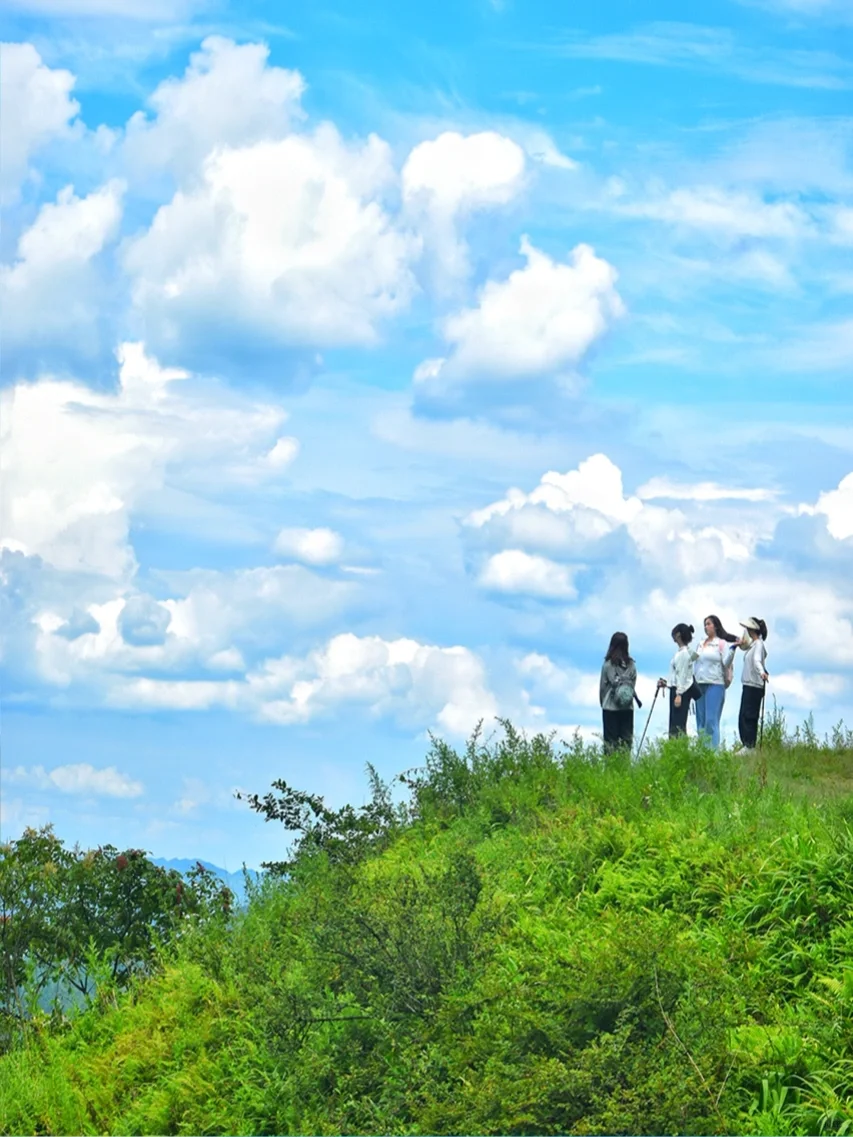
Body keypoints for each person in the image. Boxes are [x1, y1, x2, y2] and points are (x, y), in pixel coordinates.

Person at [693, 614, 739, 749]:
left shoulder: (721, 643)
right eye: (705, 624)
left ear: (716, 626)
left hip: (715, 683)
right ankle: (702, 750)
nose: (706, 627)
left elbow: (726, 662)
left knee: (711, 720)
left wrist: (733, 649)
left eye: (709, 624)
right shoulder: (701, 644)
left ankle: (713, 752)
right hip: (700, 683)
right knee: (700, 720)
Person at [658, 623, 698, 737]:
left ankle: (679, 748)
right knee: (676, 723)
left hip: (680, 692)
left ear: (678, 635)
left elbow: (682, 675)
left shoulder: (683, 654)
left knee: (677, 724)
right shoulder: (682, 652)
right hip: (677, 689)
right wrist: (667, 684)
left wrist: (679, 694)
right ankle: (677, 748)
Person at [600, 632, 637, 752]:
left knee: (610, 743)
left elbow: (602, 688)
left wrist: (603, 703)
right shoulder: (631, 665)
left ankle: (611, 769)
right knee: (626, 742)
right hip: (627, 707)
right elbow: (632, 685)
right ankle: (625, 767)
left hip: (610, 708)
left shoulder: (607, 665)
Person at [736, 617, 769, 749]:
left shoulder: (759, 645)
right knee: (744, 715)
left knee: (749, 716)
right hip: (749, 684)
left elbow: (757, 661)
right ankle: (747, 744)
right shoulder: (753, 645)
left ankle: (749, 746)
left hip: (754, 685)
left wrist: (761, 672)